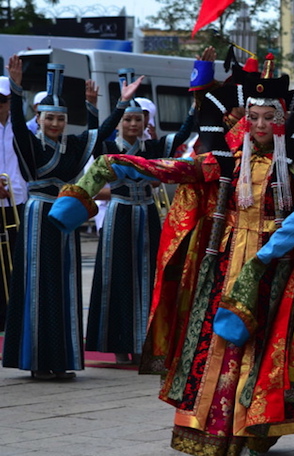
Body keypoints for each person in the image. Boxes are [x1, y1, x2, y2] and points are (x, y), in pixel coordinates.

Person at [49, 56, 294, 455]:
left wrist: (264, 256)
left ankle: (246, 427)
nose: (259, 125)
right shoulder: (227, 158)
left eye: (267, 118)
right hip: (222, 267)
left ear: (282, 121)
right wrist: (111, 166)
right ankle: (205, 424)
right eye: (253, 117)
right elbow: (174, 168)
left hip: (265, 272)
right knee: (212, 342)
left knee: (252, 349)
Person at [1, 55, 142, 381]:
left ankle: (61, 358)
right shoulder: (30, 145)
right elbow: (19, 126)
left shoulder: (72, 146)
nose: (55, 124)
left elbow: (101, 132)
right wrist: (17, 88)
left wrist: (120, 104)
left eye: (60, 119)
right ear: (40, 118)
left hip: (65, 216)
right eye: (49, 118)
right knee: (39, 285)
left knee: (65, 286)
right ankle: (37, 361)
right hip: (39, 216)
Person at [84, 69, 197, 365]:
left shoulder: (153, 149)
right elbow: (94, 138)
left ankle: (145, 343)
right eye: (127, 119)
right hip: (119, 213)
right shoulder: (109, 148)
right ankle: (118, 344)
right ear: (120, 123)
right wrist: (108, 106)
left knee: (150, 277)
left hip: (147, 214)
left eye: (138, 119)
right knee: (116, 277)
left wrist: (198, 97)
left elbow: (184, 134)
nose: (133, 124)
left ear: (146, 122)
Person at [0, 76, 28, 328]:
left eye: (3, 100)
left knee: (17, 259)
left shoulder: (22, 127)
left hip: (18, 201)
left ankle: (14, 315)